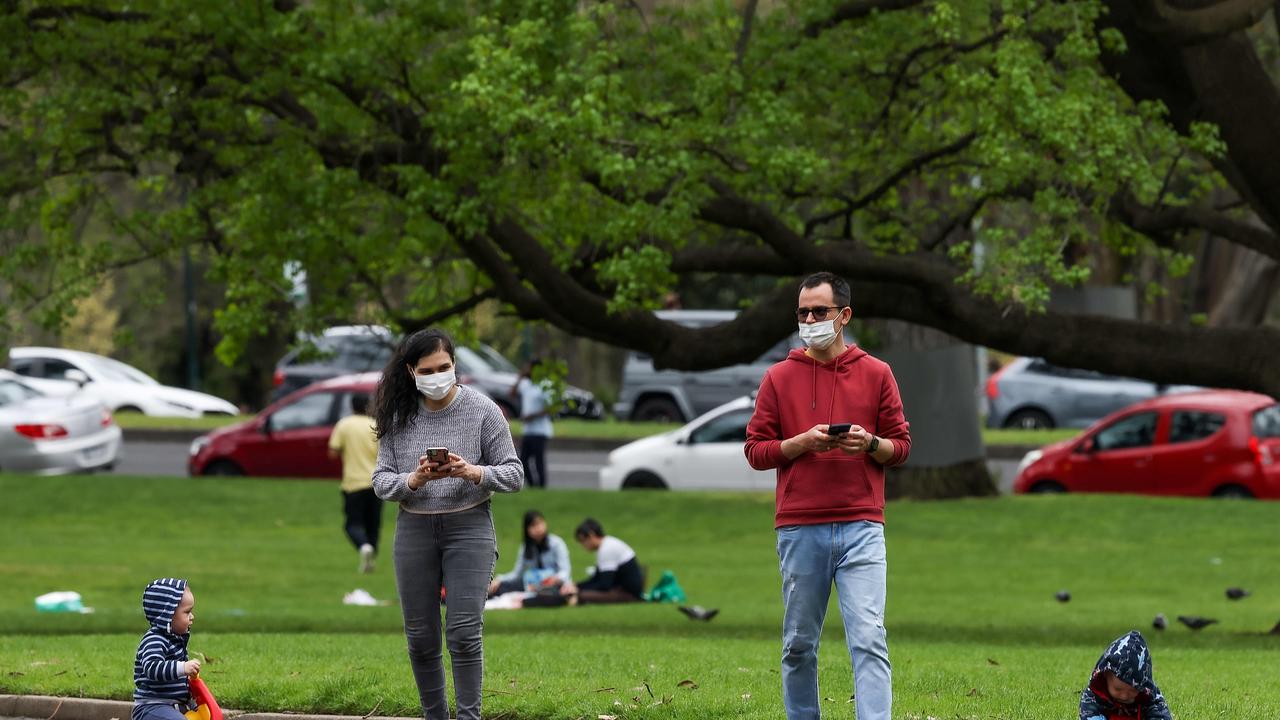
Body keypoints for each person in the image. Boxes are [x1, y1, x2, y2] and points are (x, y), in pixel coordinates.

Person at [744, 271, 912, 720]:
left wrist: (871, 444)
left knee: (869, 637)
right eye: (803, 312)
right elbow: (756, 451)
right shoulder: (778, 377)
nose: (810, 319)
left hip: (862, 526)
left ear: (844, 316)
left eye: (820, 311)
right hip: (800, 528)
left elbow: (901, 447)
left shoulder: (877, 373)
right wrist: (799, 443)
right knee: (799, 643)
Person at [372, 328, 524, 720]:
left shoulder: (483, 410)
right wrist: (414, 480)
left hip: (469, 526)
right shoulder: (396, 416)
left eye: (445, 367)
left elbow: (514, 473)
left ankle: (468, 716)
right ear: (411, 371)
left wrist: (474, 472)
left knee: (462, 633)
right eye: (428, 369)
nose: (438, 375)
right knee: (422, 638)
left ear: (455, 365)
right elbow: (380, 481)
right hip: (415, 528)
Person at [328, 392, 382, 573]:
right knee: (373, 524)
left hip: (353, 482)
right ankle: (370, 557)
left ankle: (363, 546)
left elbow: (333, 452)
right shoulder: (375, 426)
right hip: (376, 483)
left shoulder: (344, 425)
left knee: (352, 524)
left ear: (351, 406)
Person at [132, 578, 199, 720]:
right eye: (187, 612)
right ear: (167, 615)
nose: (192, 617)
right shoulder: (155, 640)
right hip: (151, 707)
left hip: (175, 706)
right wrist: (183, 667)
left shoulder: (175, 640)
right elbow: (152, 667)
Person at [1079, 631, 1173, 720]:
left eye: (1133, 690)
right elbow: (1089, 715)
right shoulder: (1094, 696)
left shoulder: (1150, 698)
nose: (1124, 696)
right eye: (1117, 689)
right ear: (1105, 676)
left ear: (1142, 686)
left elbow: (1161, 716)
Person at [488, 509, 571, 597]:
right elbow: (517, 574)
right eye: (533, 525)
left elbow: (565, 572)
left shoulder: (556, 543)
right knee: (500, 587)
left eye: (539, 523)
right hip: (534, 585)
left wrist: (554, 579)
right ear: (527, 529)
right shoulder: (526, 548)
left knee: (550, 592)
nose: (538, 528)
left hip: (556, 584)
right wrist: (499, 579)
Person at [561, 518, 644, 604]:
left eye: (583, 541)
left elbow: (604, 584)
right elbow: (597, 578)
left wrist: (578, 589)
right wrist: (576, 585)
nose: (582, 546)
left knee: (583, 595)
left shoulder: (607, 548)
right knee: (582, 593)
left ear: (591, 535)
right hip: (620, 588)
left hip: (628, 593)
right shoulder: (605, 545)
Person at [512, 358, 553, 488]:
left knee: (538, 461)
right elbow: (511, 393)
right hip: (528, 430)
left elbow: (551, 408)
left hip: (540, 431)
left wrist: (533, 416)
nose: (527, 370)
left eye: (530, 368)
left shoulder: (545, 385)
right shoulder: (525, 384)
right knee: (523, 460)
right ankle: (533, 486)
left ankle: (541, 486)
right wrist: (519, 377)